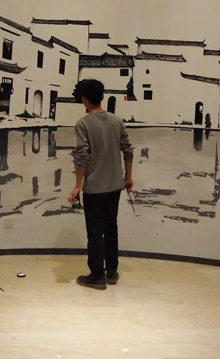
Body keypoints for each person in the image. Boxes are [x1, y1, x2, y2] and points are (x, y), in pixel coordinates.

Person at [68, 79, 134, 290]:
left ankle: (97, 276)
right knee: (111, 227)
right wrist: (128, 177)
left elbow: (82, 156)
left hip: (95, 187)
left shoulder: (83, 123)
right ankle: (112, 271)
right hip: (115, 185)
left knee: (95, 231)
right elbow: (128, 150)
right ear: (102, 97)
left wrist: (77, 186)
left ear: (85, 100)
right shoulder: (117, 121)